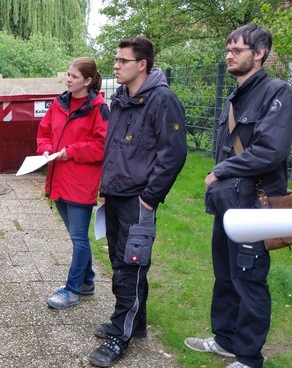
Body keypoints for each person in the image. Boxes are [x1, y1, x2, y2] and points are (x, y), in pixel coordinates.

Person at [184, 24, 292, 368]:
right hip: (228, 203)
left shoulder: (278, 93)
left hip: (254, 204)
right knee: (226, 275)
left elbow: (270, 151)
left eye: (237, 50)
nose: (229, 55)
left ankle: (248, 357)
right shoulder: (236, 95)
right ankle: (225, 340)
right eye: (227, 50)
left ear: (258, 54)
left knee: (249, 279)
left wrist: (221, 171)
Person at [89, 37, 187, 367]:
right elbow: (115, 149)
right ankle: (136, 323)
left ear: (141, 64)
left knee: (130, 266)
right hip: (115, 196)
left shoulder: (162, 100)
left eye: (122, 60)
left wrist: (149, 198)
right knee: (122, 262)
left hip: (138, 201)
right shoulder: (121, 100)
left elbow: (173, 155)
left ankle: (122, 334)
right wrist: (107, 187)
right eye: (115, 60)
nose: (115, 65)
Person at [36, 57, 108, 309]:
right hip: (58, 179)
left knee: (79, 238)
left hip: (80, 183)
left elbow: (102, 146)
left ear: (88, 81)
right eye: (68, 74)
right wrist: (45, 149)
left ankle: (73, 289)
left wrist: (71, 150)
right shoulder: (59, 103)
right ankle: (87, 281)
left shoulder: (98, 108)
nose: (68, 79)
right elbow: (44, 132)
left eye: (74, 76)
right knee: (75, 236)